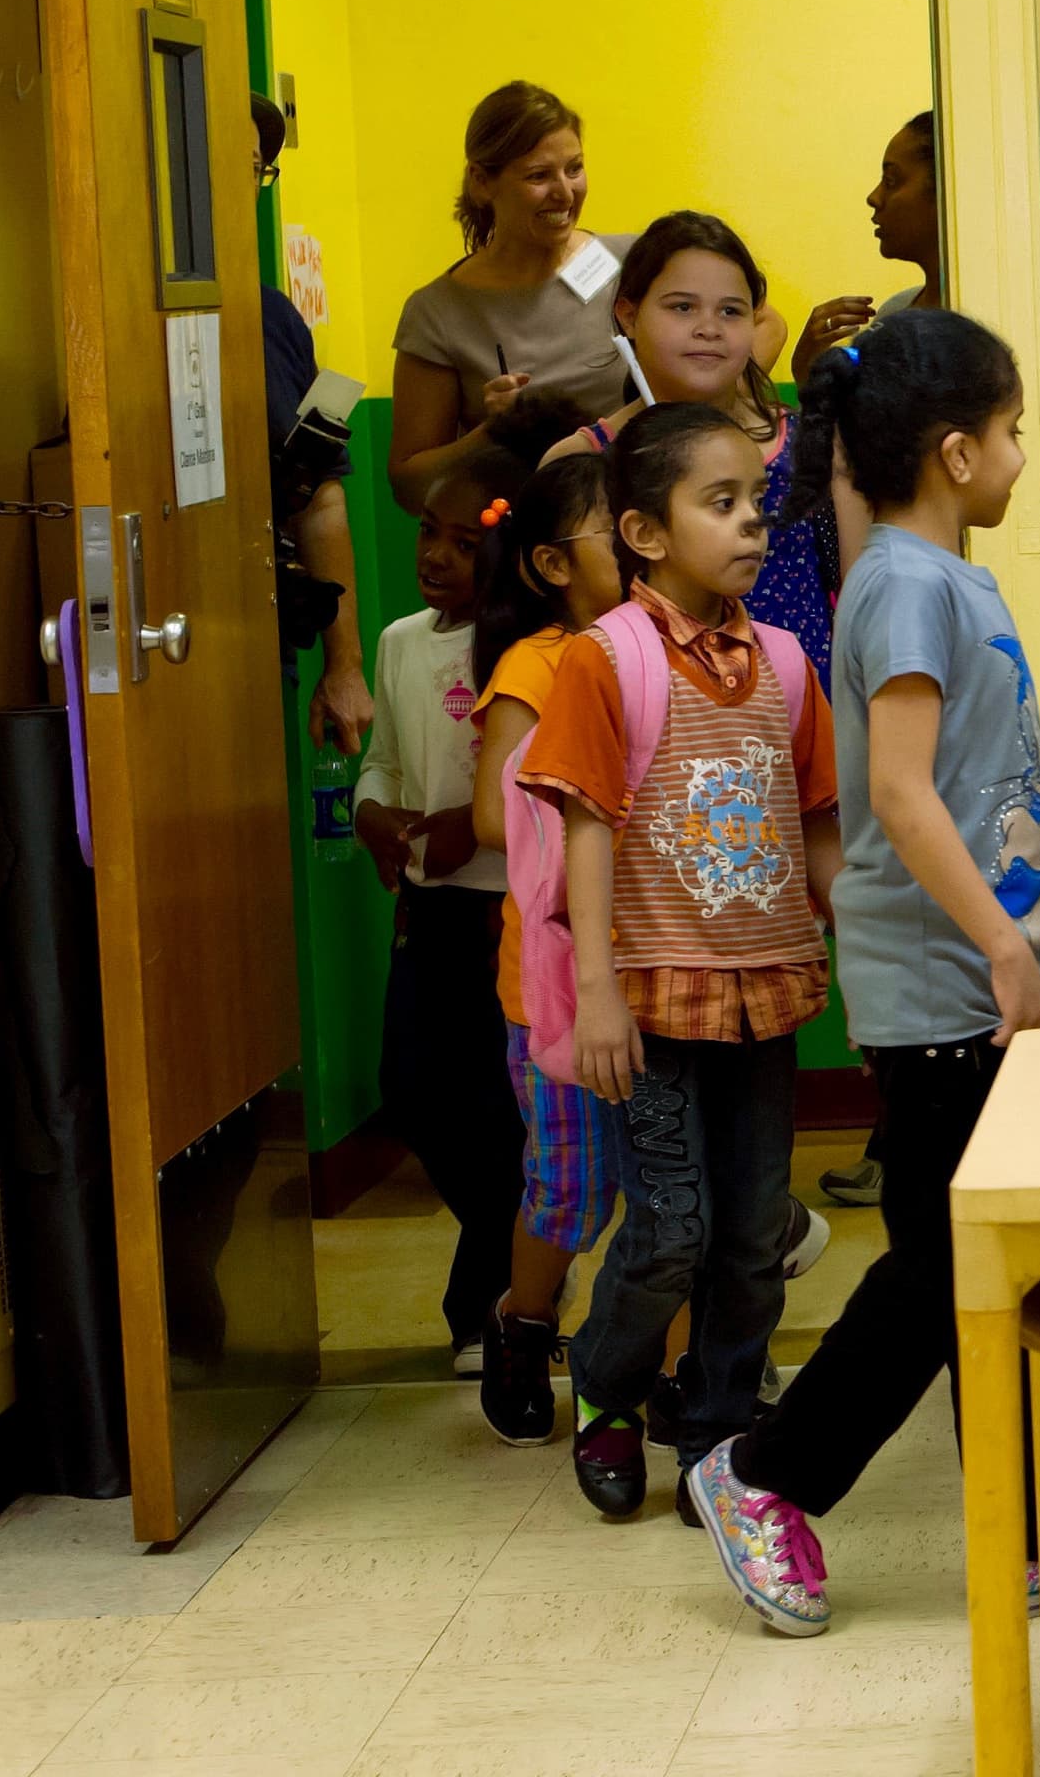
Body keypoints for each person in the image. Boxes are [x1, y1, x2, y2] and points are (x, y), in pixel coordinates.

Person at [688, 310, 1040, 1638]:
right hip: (950, 990)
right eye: (1015, 431)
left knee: (974, 1263)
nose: (1025, 454)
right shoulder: (909, 584)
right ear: (959, 452)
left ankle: (1017, 1519)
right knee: (944, 1266)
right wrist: (1005, 946)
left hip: (975, 982)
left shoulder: (939, 576)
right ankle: (759, 1473)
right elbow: (901, 798)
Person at [520, 405, 841, 1524]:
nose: (752, 521)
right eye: (722, 503)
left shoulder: (790, 664)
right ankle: (609, 1390)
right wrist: (599, 993)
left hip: (766, 989)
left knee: (754, 1237)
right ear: (645, 535)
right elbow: (588, 826)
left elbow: (817, 827)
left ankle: (714, 1429)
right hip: (651, 1001)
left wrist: (864, 937)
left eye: (756, 499)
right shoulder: (605, 662)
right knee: (670, 1232)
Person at [352, 446, 537, 1380]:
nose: (435, 555)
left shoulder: (531, 650)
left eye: (463, 543)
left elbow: (550, 784)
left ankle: (488, 1311)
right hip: (431, 908)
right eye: (429, 531)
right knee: (415, 1087)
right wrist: (371, 812)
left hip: (510, 910)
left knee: (499, 1109)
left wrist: (480, 828)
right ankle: (517, 1271)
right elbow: (385, 757)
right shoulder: (396, 642)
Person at [468, 452, 626, 1448]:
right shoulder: (538, 665)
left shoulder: (655, 649)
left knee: (667, 1193)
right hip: (556, 987)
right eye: (615, 528)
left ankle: (670, 1371)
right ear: (550, 564)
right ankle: (523, 1325)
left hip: (655, 973)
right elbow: (493, 813)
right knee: (571, 1195)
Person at [562, 212, 848, 663]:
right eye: (682, 307)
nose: (709, 328)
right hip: (654, 720)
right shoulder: (583, 459)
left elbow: (860, 595)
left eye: (731, 311)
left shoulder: (813, 444)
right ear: (629, 315)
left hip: (805, 715)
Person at [793, 111, 1040, 516]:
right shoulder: (894, 317)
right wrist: (809, 374)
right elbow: (851, 462)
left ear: (950, 193)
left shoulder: (1035, 334)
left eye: (892, 180)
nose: (874, 198)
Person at [388, 82, 639, 509]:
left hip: (636, 531)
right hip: (518, 544)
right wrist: (490, 434)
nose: (564, 192)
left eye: (574, 168)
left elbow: (766, 324)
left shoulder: (634, 262)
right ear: (482, 182)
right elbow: (410, 489)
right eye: (539, 176)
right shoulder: (438, 312)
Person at [255, 92, 370, 756]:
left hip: (265, 633)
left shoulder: (272, 317)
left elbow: (320, 492)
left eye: (255, 165)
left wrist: (346, 665)